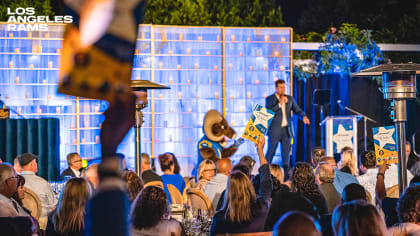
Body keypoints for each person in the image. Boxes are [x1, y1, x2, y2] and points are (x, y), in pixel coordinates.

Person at [210, 137, 272, 235]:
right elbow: (266, 181)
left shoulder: (221, 218)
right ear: (249, 187)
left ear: (229, 191)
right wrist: (260, 151)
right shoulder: (262, 208)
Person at [265, 79, 310, 173]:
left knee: (286, 154)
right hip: (274, 130)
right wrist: (279, 104)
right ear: (276, 88)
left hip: (287, 130)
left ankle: (286, 176)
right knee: (270, 152)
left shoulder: (289, 99)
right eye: (280, 87)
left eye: (284, 87)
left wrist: (304, 116)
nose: (283, 89)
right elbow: (269, 112)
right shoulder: (270, 99)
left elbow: (297, 110)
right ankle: (264, 172)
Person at [19, 153, 57, 220]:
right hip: (42, 221)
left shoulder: (16, 182)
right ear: (31, 165)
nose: (37, 165)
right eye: (35, 163)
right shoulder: (42, 183)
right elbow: (53, 205)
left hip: (21, 221)